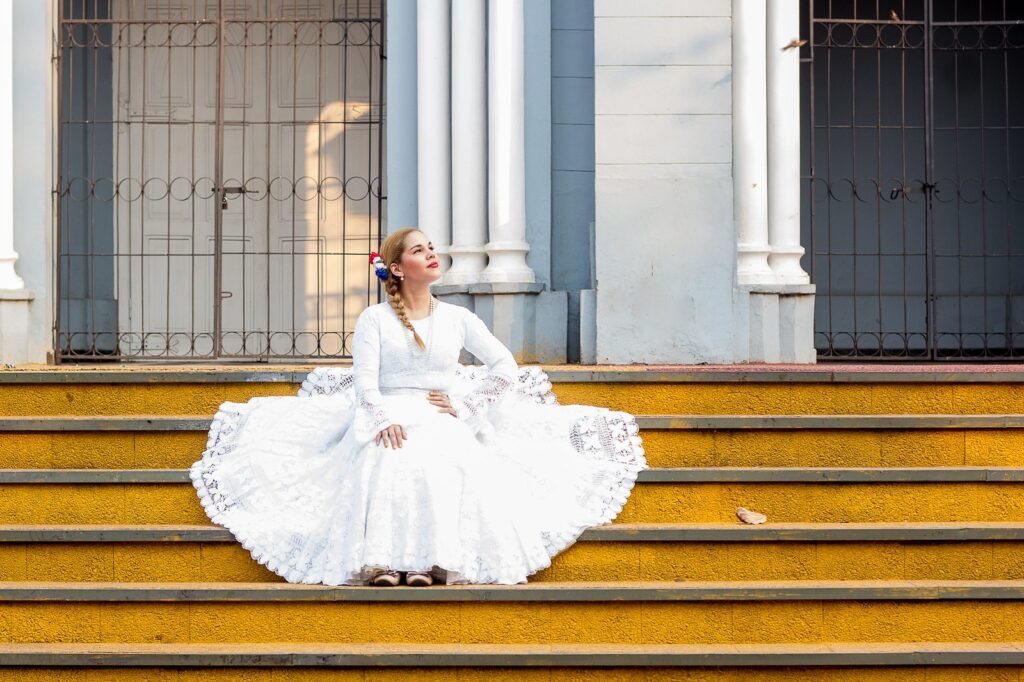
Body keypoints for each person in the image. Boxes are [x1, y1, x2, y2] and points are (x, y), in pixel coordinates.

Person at [190, 227, 646, 587]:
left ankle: (433, 561)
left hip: (440, 414)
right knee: (387, 456)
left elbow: (504, 366)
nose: (432, 254)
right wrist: (383, 419)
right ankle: (384, 561)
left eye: (432, 248)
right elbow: (365, 383)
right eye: (419, 250)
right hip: (386, 412)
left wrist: (466, 407)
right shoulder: (375, 319)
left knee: (444, 456)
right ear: (397, 267)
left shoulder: (458, 318)